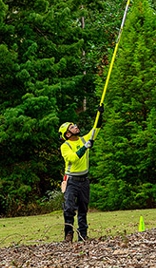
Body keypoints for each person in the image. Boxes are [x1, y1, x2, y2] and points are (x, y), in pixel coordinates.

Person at [58, 104, 104, 243]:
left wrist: (100, 115)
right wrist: (85, 147)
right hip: (71, 181)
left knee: (83, 209)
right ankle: (68, 233)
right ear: (67, 134)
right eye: (72, 127)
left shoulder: (84, 139)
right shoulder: (65, 146)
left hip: (84, 181)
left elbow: (96, 129)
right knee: (69, 208)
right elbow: (72, 158)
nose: (76, 126)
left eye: (75, 125)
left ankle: (83, 235)